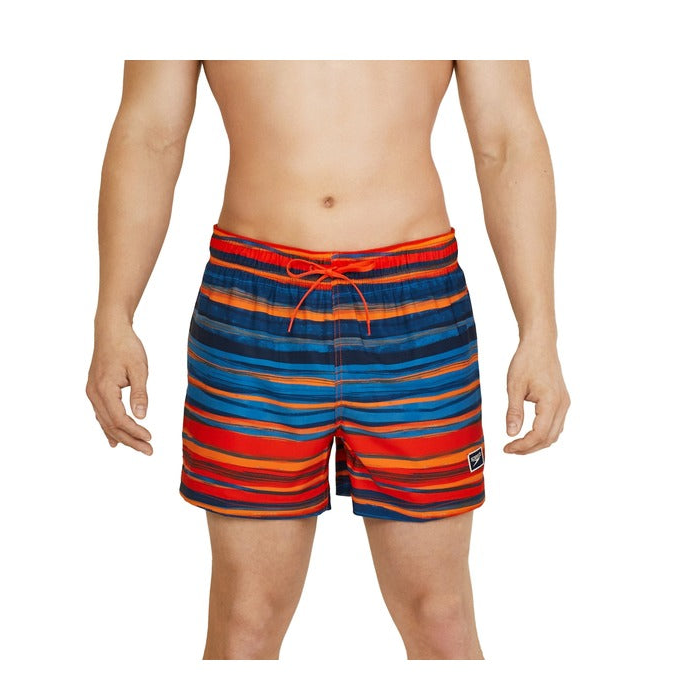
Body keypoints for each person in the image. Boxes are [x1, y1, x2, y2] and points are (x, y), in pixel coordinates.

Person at [86, 60, 570, 660]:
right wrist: (114, 314)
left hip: (414, 310)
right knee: (246, 621)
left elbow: (506, 137)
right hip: (253, 308)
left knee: (440, 617)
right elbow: (150, 133)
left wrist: (539, 329)